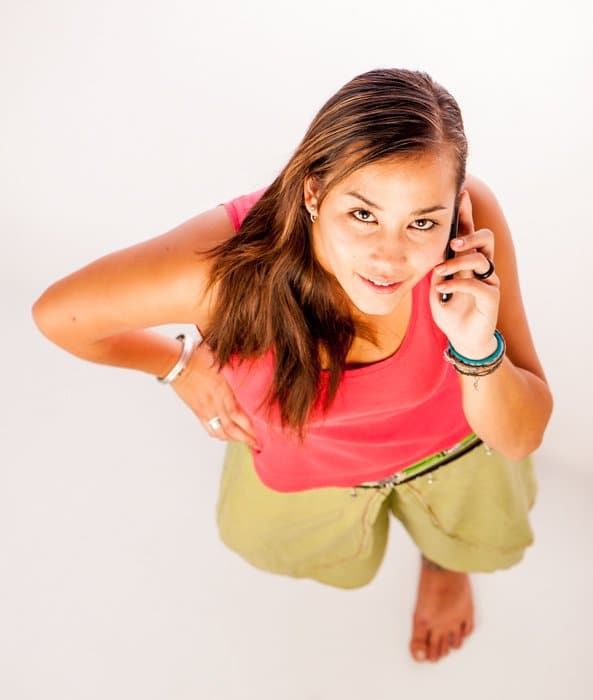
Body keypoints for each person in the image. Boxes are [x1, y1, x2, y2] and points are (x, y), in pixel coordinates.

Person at [32, 68, 553, 664]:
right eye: (362, 214)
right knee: (311, 557)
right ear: (312, 193)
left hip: (455, 452)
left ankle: (441, 562)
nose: (390, 256)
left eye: (423, 222)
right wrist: (179, 366)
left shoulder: (469, 234)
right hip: (308, 470)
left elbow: (519, 437)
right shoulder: (223, 270)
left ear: (456, 211)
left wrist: (477, 344)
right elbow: (59, 316)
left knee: (464, 540)